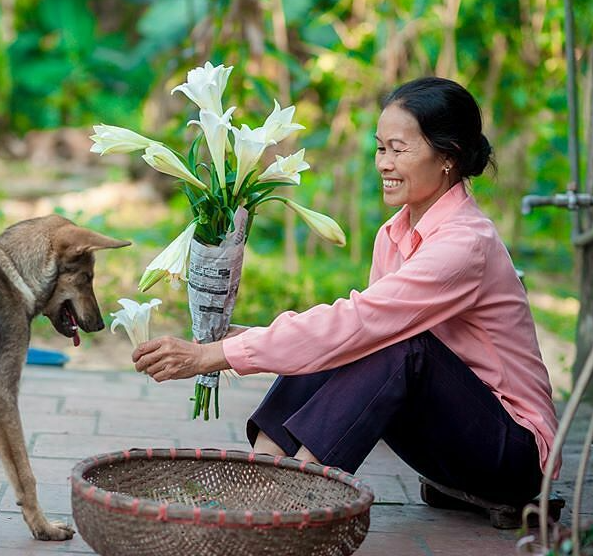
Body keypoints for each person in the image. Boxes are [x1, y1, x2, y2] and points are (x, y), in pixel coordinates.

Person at [132, 76, 558, 507]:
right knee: (350, 341)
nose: (384, 164)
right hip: (447, 445)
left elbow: (364, 325)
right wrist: (246, 339)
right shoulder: (394, 233)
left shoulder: (466, 243)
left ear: (448, 156)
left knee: (392, 344)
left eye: (399, 149)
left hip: (513, 457)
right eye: (380, 148)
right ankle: (259, 481)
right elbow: (354, 332)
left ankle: (297, 496)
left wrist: (211, 357)